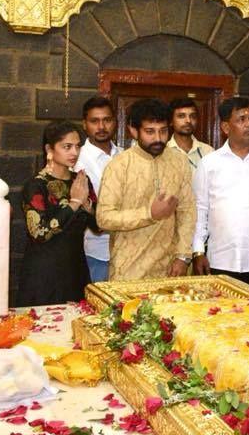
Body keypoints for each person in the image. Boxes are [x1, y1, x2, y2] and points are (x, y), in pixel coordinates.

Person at [97, 98, 197, 281]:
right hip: (128, 270)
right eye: (150, 132)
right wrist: (149, 213)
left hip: (170, 269)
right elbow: (104, 218)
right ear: (134, 131)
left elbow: (187, 211)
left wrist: (183, 256)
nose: (158, 138)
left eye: (163, 131)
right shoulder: (119, 165)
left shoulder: (179, 161)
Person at [192, 97, 249, 286]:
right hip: (220, 260)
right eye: (241, 119)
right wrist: (198, 251)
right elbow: (200, 210)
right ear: (226, 128)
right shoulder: (209, 163)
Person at [18, 122, 95, 306]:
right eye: (67, 147)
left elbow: (98, 226)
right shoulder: (36, 186)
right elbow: (39, 233)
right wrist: (74, 203)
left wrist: (87, 205)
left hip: (75, 268)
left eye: (78, 146)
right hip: (45, 272)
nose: (74, 153)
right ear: (49, 149)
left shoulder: (81, 181)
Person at [75, 96, 121, 283]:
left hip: (128, 251)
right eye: (95, 121)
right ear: (85, 124)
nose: (101, 127)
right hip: (94, 252)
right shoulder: (76, 160)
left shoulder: (126, 156)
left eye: (107, 120)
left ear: (115, 122)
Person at [167, 97, 214, 171]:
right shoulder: (164, 151)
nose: (188, 120)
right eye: (181, 116)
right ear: (171, 121)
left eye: (193, 116)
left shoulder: (208, 151)